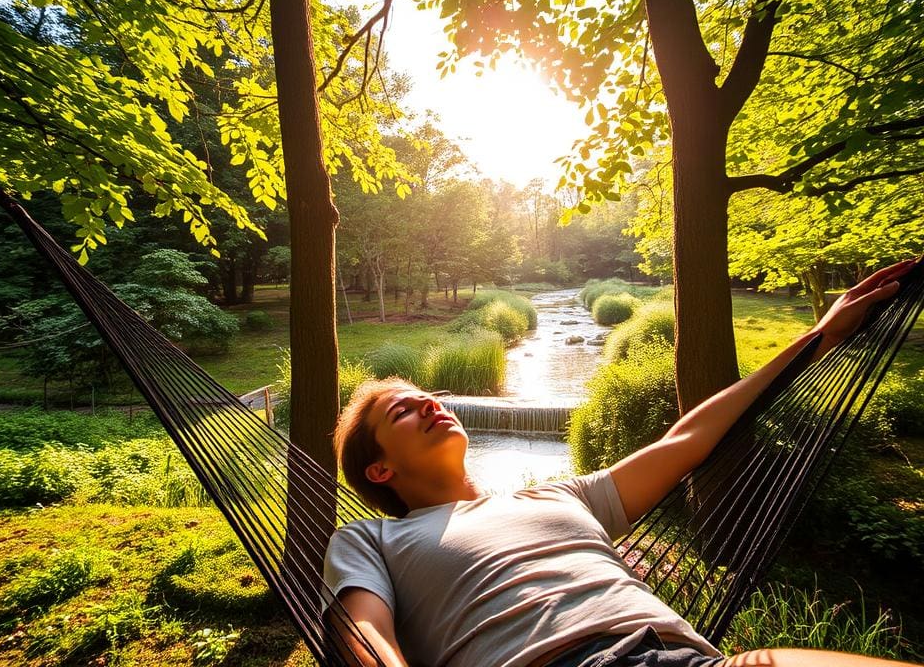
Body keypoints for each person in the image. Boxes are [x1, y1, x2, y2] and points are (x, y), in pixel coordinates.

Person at [323, 261, 920, 667]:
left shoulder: (561, 495)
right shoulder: (372, 540)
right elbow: (364, 635)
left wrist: (819, 338)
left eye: (427, 396)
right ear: (380, 470)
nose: (430, 403)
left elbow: (687, 439)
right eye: (403, 410)